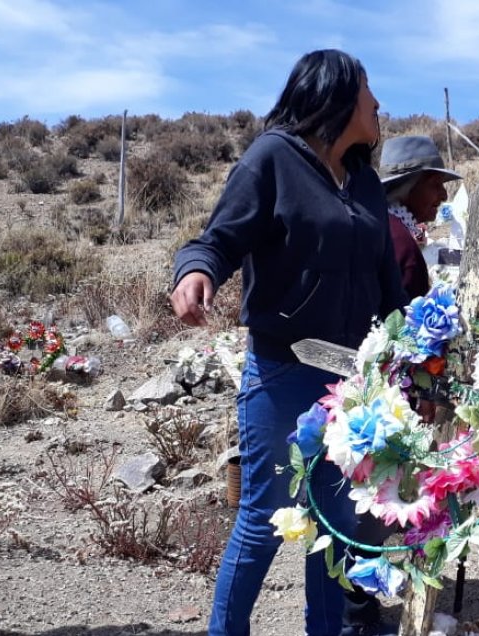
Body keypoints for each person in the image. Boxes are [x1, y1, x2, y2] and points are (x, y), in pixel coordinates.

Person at [170, 49, 408, 636]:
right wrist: (194, 272)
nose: (377, 103)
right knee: (264, 517)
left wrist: (412, 351)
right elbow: (218, 239)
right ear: (336, 93)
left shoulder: (366, 182)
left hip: (352, 384)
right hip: (283, 373)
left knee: (333, 523)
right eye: (368, 89)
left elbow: (388, 283)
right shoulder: (272, 158)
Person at [379, 135, 462, 299]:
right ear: (406, 187)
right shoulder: (401, 244)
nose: (444, 195)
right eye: (435, 184)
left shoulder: (381, 225)